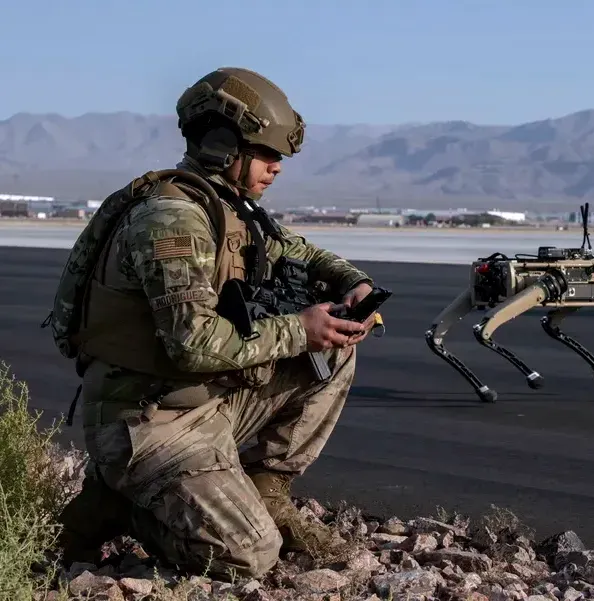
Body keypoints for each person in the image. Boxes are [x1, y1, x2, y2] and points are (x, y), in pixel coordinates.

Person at [55, 67, 376, 579]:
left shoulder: (229, 210)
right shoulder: (171, 218)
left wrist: (350, 283)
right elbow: (191, 343)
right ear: (225, 146)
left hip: (205, 402)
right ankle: (125, 508)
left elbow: (302, 251)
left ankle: (267, 488)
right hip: (146, 422)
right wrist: (299, 328)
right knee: (249, 557)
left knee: (335, 346)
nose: (277, 169)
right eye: (267, 155)